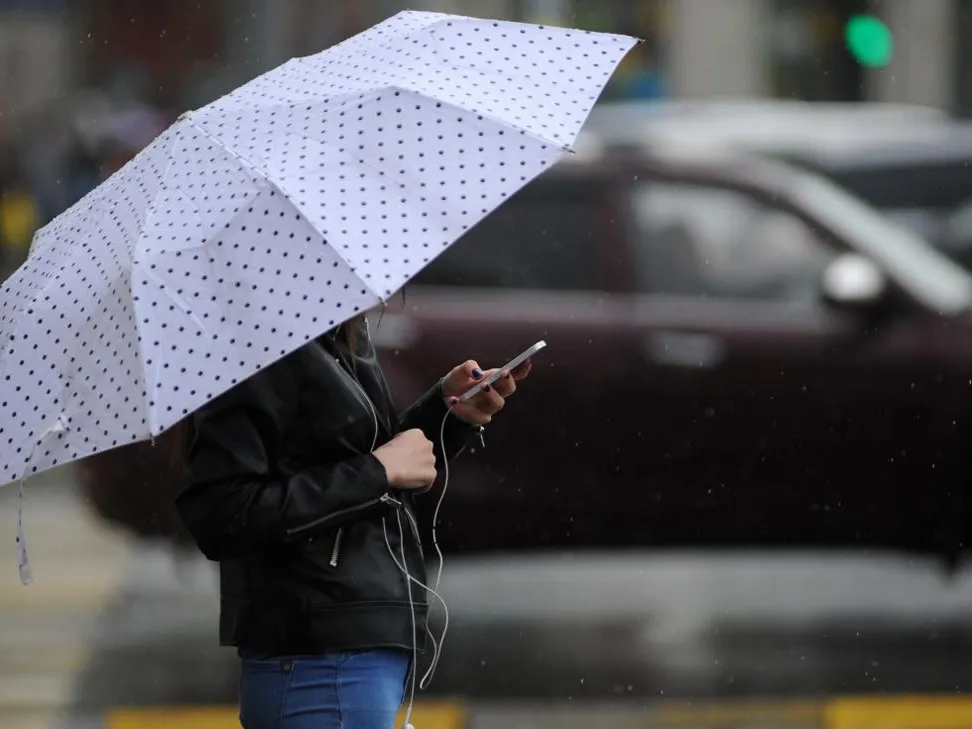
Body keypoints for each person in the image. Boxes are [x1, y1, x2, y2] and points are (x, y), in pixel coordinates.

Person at [174, 313, 531, 729]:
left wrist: (445, 413)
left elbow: (355, 458)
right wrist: (377, 472)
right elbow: (224, 512)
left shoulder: (334, 334)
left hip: (352, 650)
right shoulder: (265, 345)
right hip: (321, 654)